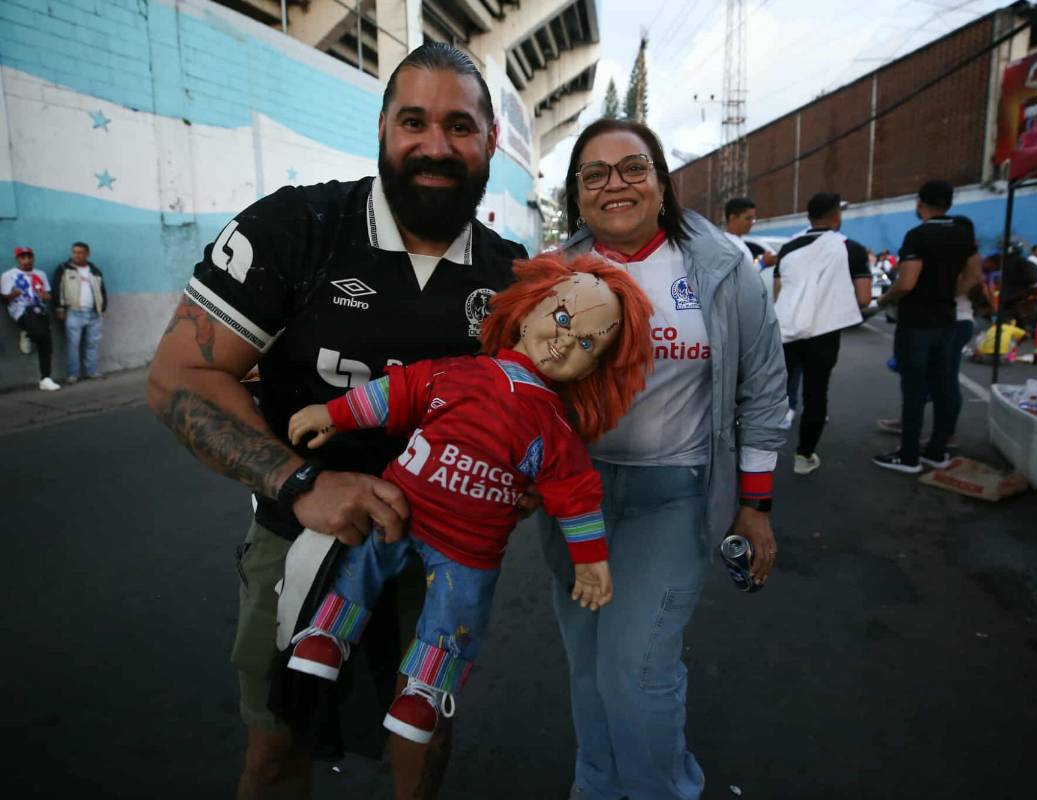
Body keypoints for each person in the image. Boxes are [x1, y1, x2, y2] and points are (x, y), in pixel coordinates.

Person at [146, 42, 527, 799]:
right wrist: (302, 481)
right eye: (413, 120)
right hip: (300, 543)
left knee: (424, 734)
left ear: (490, 141)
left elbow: (531, 412)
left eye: (460, 125)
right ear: (383, 129)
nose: (435, 144)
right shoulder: (300, 226)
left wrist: (528, 477)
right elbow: (177, 375)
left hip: (439, 562)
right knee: (274, 748)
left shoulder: (514, 275)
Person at [283, 254, 652, 749]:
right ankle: (328, 634)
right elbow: (396, 394)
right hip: (399, 507)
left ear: (596, 367)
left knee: (457, 612)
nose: (566, 340)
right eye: (563, 319)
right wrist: (333, 414)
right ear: (526, 311)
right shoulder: (456, 372)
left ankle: (426, 688)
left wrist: (591, 558)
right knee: (361, 563)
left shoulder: (555, 430)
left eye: (588, 343)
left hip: (470, 547)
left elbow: (576, 494)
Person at [545, 118, 788, 800]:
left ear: (660, 181)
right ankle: (596, 784)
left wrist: (755, 503)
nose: (614, 184)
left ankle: (661, 789)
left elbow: (764, 385)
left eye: (633, 167)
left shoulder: (721, 266)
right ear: (577, 193)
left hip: (674, 495)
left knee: (636, 664)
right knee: (588, 661)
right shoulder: (556, 274)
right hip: (576, 502)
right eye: (594, 173)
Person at [873, 180, 980, 473]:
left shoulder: (918, 235)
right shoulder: (963, 234)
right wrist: (947, 292)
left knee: (914, 388)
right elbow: (973, 277)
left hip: (917, 322)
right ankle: (937, 450)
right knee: (945, 384)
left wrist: (884, 300)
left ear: (920, 203)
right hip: (947, 320)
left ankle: (908, 455)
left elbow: (906, 283)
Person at [773, 192, 871, 474]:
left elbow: (781, 293)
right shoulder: (850, 248)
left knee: (775, 392)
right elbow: (864, 298)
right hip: (824, 333)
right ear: (837, 217)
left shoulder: (788, 248)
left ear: (808, 217)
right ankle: (804, 457)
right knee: (816, 394)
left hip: (787, 330)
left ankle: (755, 455)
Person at [1, 246, 59, 391]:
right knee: (40, 333)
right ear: (17, 259)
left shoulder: (40, 274)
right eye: (23, 257)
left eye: (29, 257)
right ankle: (27, 333)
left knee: (46, 342)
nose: (27, 260)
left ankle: (45, 378)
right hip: (21, 311)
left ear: (33, 258)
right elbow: (3, 299)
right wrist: (13, 295)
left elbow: (47, 296)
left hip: (40, 311)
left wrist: (46, 297)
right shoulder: (9, 275)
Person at [51, 241, 107, 383]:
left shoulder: (94, 270)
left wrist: (103, 306)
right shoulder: (64, 268)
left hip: (94, 313)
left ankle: (91, 372)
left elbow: (102, 289)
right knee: (73, 344)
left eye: (80, 252)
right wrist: (59, 308)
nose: (77, 255)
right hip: (74, 312)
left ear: (87, 254)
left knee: (92, 344)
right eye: (74, 252)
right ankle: (73, 375)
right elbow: (57, 289)